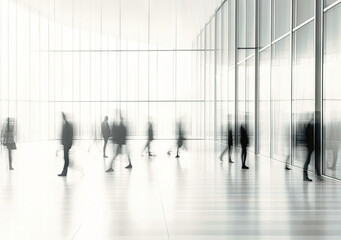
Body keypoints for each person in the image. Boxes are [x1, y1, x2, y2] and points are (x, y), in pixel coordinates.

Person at [58, 112, 73, 177]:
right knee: (66, 158)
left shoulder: (66, 124)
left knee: (66, 159)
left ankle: (64, 172)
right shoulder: (66, 124)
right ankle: (64, 172)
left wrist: (68, 143)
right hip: (66, 144)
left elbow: (68, 135)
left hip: (66, 144)